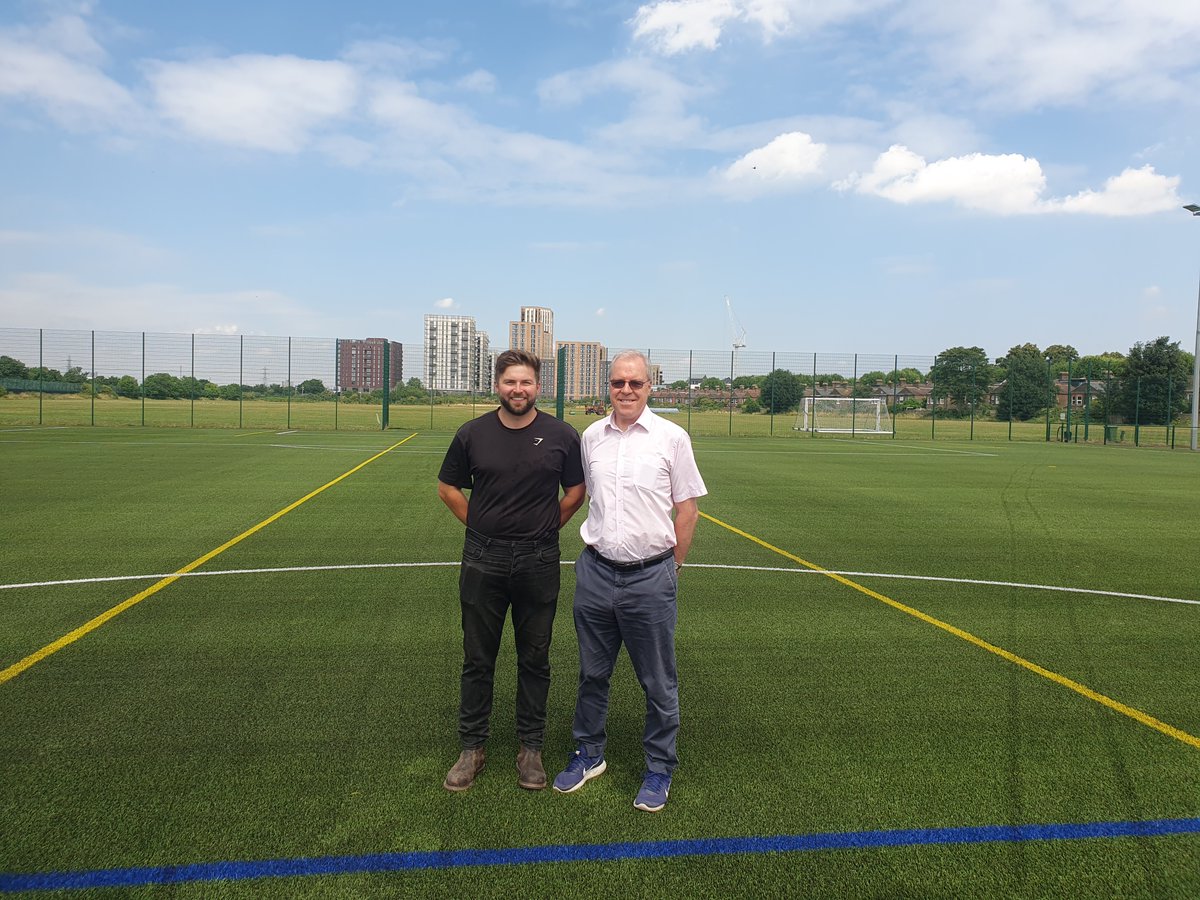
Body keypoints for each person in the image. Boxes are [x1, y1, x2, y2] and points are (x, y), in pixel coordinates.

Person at [552, 349, 707, 813]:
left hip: (650, 578)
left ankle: (659, 768)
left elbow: (688, 509)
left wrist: (670, 566)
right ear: (609, 386)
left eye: (635, 384)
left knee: (658, 681)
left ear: (649, 387)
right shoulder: (591, 437)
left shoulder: (672, 438)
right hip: (596, 572)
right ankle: (589, 754)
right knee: (592, 674)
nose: (625, 390)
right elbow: (581, 497)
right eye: (618, 382)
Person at [437, 349, 586, 792]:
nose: (517, 390)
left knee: (534, 658)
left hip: (538, 561)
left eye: (525, 383)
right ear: (497, 386)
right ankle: (472, 747)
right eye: (509, 382)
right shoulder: (472, 433)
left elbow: (575, 492)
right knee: (477, 658)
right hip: (484, 559)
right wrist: (482, 527)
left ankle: (531, 749)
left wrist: (543, 528)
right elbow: (448, 488)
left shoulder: (561, 434)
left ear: (538, 387)